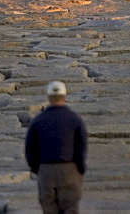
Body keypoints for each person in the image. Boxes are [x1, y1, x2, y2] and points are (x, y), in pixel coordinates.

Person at [25, 81, 88, 214]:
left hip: (46, 169)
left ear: (48, 97)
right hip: (69, 168)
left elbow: (30, 150)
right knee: (70, 207)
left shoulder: (39, 120)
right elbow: (81, 148)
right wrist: (80, 168)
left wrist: (38, 169)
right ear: (65, 96)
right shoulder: (75, 119)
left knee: (49, 208)